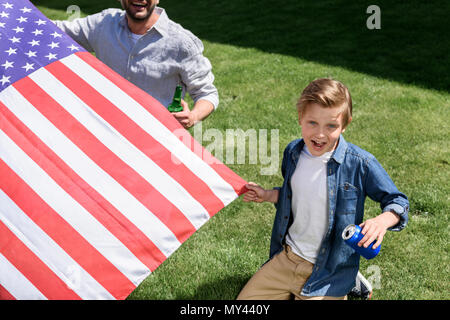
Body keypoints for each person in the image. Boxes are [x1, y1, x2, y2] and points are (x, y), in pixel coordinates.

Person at [238, 78, 409, 300]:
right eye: (312, 123)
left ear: (344, 125)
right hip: (287, 258)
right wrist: (268, 195)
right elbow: (296, 195)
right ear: (300, 118)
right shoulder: (293, 153)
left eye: (331, 126)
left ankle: (347, 279)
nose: (320, 135)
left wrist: (382, 222)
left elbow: (398, 201)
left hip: (329, 271)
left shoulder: (360, 163)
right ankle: (351, 279)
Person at [53, 0, 218, 129]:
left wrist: (193, 117)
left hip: (157, 142)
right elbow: (54, 31)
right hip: (104, 133)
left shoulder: (182, 43)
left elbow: (207, 93)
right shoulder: (103, 24)